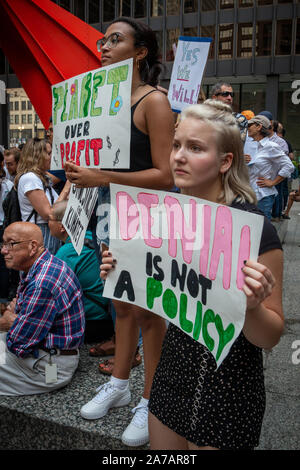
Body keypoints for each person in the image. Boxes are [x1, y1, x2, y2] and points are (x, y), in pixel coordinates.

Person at [100, 101, 284, 450]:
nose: (179, 156)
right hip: (171, 375)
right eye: (176, 145)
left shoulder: (254, 232)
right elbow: (152, 302)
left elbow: (270, 336)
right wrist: (120, 271)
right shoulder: (160, 217)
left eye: (195, 148)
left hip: (229, 390)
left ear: (225, 161)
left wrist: (252, 306)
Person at [65, 17, 174, 447]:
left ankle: (152, 399)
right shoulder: (103, 103)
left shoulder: (154, 101)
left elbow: (166, 175)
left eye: (115, 39)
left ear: (141, 51)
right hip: (110, 214)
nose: (104, 46)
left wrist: (98, 174)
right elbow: (96, 169)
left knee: (149, 312)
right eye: (102, 40)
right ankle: (120, 383)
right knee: (120, 306)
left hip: (149, 216)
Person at [0, 222, 85, 395]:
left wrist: (10, 323)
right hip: (49, 354)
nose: (3, 250)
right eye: (3, 243)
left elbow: (18, 344)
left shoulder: (43, 284)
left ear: (32, 246)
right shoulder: (43, 264)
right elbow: (18, 309)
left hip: (50, 368)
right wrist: (15, 320)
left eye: (11, 243)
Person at [48, 200, 114, 344]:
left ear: (61, 227)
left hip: (92, 324)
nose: (47, 223)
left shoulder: (67, 252)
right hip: (111, 318)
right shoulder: (94, 237)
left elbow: (52, 290)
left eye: (49, 219)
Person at [14, 138, 70, 254]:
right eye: (49, 153)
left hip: (47, 231)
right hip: (40, 233)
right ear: (38, 156)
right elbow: (49, 214)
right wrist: (67, 186)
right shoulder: (30, 178)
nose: (52, 157)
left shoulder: (41, 177)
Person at [247, 115, 294, 220]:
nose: (247, 127)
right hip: (249, 194)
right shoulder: (253, 146)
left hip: (262, 197)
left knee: (262, 230)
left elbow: (289, 166)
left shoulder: (271, 146)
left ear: (259, 127)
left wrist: (273, 182)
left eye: (249, 125)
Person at [0, 151, 14, 300]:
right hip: (3, 228)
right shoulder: (8, 185)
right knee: (4, 263)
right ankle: (3, 298)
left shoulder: (8, 185)